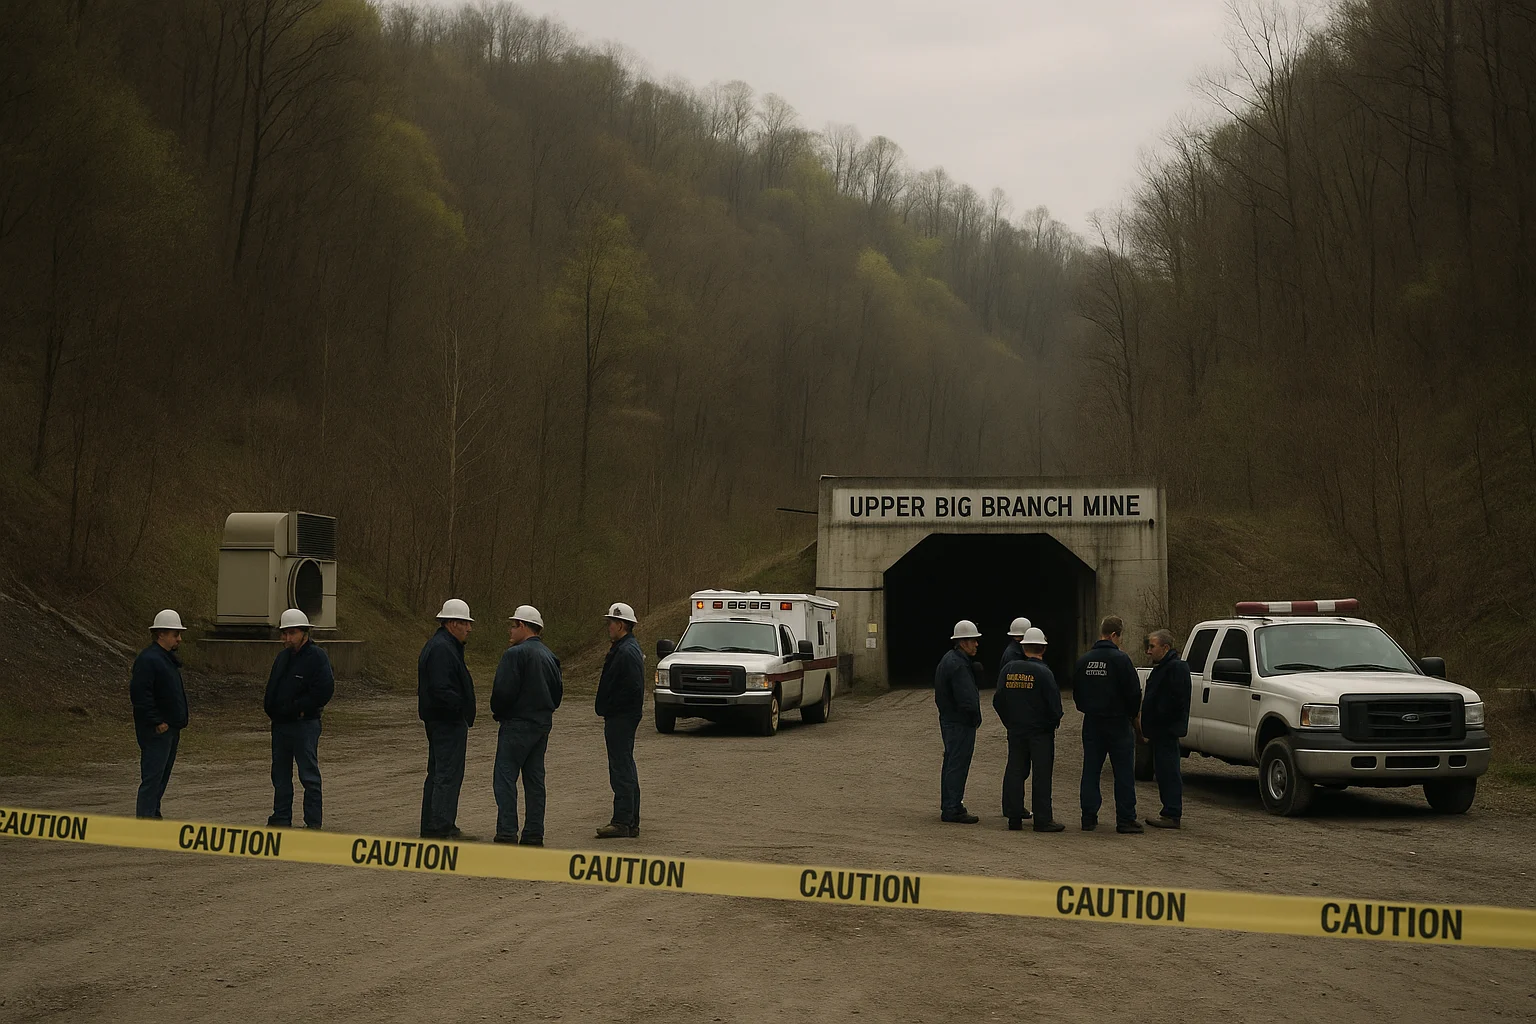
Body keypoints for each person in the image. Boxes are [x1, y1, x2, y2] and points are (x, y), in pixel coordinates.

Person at [491, 605, 562, 846]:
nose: (510, 630)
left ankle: (507, 831)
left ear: (523, 626)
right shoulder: (550, 656)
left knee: (504, 777)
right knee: (534, 781)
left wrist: (499, 713)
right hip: (541, 725)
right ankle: (533, 833)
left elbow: (503, 691)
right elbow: (557, 694)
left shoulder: (514, 654)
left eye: (513, 625)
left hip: (516, 724)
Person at [263, 608, 335, 829]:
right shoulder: (282, 658)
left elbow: (324, 690)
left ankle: (312, 823)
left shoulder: (317, 657)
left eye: (292, 633)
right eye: (285, 633)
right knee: (280, 775)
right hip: (281, 726)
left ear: (304, 633)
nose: (287, 638)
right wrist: (273, 710)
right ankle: (281, 818)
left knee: (308, 775)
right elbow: (272, 688)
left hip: (305, 725)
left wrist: (299, 709)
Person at [1073, 615, 1143, 834]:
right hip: (1118, 723)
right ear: (1114, 635)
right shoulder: (1121, 660)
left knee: (1091, 770)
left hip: (1092, 722)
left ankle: (1088, 817)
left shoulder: (1084, 660)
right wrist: (1132, 716)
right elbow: (1134, 693)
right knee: (1123, 772)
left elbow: (1077, 694)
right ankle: (1125, 819)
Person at [994, 627, 1065, 832]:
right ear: (1043, 648)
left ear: (1024, 647)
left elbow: (998, 700)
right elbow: (1055, 706)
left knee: (1015, 770)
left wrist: (1010, 722)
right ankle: (1042, 819)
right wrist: (1051, 723)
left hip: (1016, 730)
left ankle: (1013, 817)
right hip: (1040, 733)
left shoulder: (1009, 670)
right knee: (1041, 774)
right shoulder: (1044, 672)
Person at [418, 599, 477, 840]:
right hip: (446, 722)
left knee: (439, 772)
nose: (469, 629)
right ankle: (441, 827)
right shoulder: (443, 648)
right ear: (453, 623)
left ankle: (434, 824)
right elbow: (441, 689)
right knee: (447, 774)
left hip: (441, 720)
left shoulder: (442, 645)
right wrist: (460, 709)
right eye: (465, 623)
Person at [129, 610, 190, 819]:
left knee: (162, 775)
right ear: (161, 634)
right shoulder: (149, 660)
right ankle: (145, 818)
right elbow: (140, 695)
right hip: (158, 730)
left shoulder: (165, 660)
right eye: (175, 634)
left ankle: (153, 814)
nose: (179, 639)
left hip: (170, 728)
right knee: (153, 776)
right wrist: (157, 721)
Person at [595, 602, 644, 839]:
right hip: (622, 716)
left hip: (621, 717)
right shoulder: (626, 648)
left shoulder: (626, 651)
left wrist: (613, 707)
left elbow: (632, 688)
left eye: (610, 623)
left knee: (621, 768)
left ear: (621, 624)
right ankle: (630, 820)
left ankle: (622, 821)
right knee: (625, 765)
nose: (608, 627)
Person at [1140, 628, 1191, 829]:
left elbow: (1176, 701)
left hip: (1166, 731)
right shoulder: (1163, 667)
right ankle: (1169, 810)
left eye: (1152, 646)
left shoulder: (1176, 668)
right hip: (1160, 731)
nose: (1148, 651)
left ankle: (1171, 813)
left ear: (1166, 647)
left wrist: (1160, 720)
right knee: (1162, 771)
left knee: (1168, 771)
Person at [934, 620, 984, 823]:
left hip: (949, 719)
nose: (976, 644)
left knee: (951, 762)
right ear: (963, 642)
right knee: (958, 764)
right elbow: (967, 698)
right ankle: (952, 807)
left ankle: (950, 804)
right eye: (973, 640)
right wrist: (974, 717)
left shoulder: (949, 660)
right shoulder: (959, 665)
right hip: (960, 722)